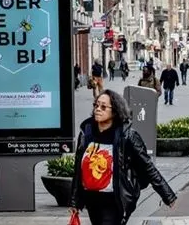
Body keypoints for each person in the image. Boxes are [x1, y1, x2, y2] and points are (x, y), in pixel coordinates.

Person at [69, 90, 176, 225]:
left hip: (114, 200)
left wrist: (167, 195)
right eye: (96, 105)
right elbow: (78, 169)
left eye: (103, 107)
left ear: (115, 111)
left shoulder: (127, 136)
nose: (98, 110)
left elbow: (147, 166)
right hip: (91, 199)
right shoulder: (87, 132)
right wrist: (74, 201)